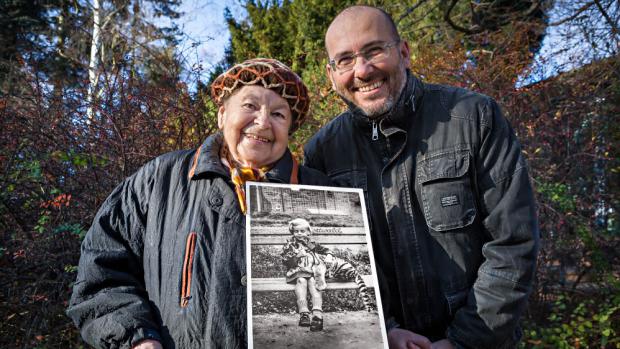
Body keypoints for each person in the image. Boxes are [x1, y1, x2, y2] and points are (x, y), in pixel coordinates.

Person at [304, 6, 539, 349]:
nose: (363, 70)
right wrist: (382, 330)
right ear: (331, 75)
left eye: (374, 51)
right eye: (345, 60)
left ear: (404, 52)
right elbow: (330, 262)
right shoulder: (323, 152)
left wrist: (462, 342)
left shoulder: (474, 118)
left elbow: (513, 242)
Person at [67, 58, 331, 349]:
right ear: (221, 115)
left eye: (279, 114)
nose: (264, 121)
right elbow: (100, 273)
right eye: (250, 106)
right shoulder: (160, 179)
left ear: (289, 129)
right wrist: (137, 339)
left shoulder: (320, 191)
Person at [281, 218, 330, 331]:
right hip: (296, 272)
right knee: (302, 280)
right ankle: (304, 313)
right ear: (292, 232)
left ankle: (317, 315)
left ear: (308, 232)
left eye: (302, 231)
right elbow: (285, 261)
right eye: (296, 231)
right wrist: (297, 256)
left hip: (313, 271)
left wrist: (329, 256)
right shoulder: (290, 245)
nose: (299, 234)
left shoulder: (311, 244)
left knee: (313, 281)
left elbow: (326, 250)